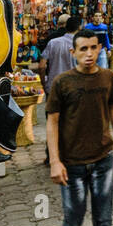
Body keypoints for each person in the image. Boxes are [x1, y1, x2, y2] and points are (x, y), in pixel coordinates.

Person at [47, 28, 113, 226]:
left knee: (103, 219)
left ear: (100, 49)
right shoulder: (62, 83)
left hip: (102, 158)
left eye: (93, 48)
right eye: (83, 49)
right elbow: (52, 122)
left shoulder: (107, 78)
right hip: (72, 164)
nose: (89, 54)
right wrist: (55, 161)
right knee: (75, 214)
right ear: (73, 52)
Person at [38, 14, 79, 166]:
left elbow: (42, 66)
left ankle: (51, 157)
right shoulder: (78, 44)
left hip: (53, 88)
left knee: (52, 123)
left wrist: (44, 83)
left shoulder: (53, 42)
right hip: (73, 89)